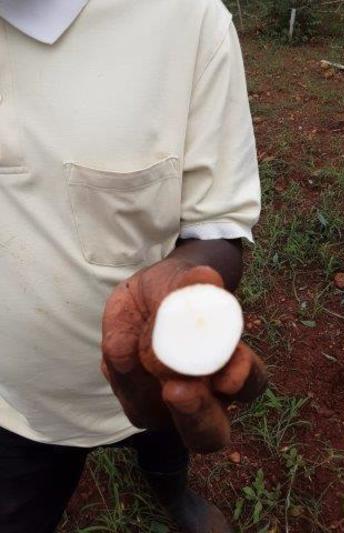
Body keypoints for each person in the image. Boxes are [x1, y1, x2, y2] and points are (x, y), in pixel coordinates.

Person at [0, 0, 265, 531]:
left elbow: (217, 224)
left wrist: (182, 287)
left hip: (151, 370)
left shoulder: (187, 20)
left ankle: (174, 494)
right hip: (11, 403)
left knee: (164, 438)